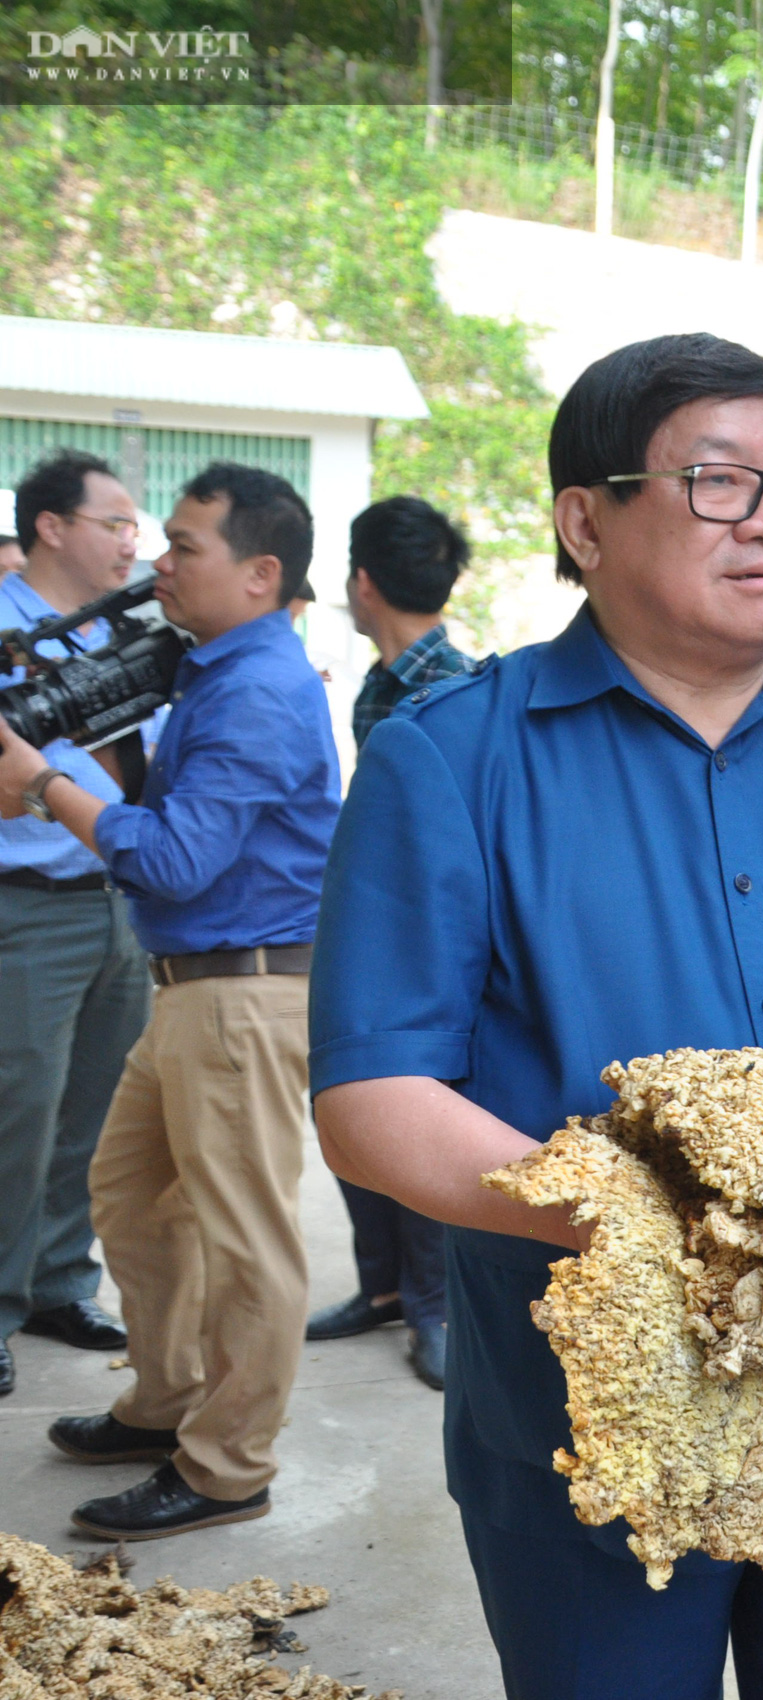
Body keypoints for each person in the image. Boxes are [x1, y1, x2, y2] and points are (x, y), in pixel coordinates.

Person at [308, 333, 763, 1698]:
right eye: (719, 485)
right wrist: (657, 1225)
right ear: (586, 521)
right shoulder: (450, 760)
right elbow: (371, 1099)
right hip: (591, 1412)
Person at [0, 462, 341, 1540]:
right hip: (192, 988)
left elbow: (182, 857)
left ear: (260, 571)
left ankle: (229, 1464)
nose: (160, 562)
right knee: (131, 1193)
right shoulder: (211, 668)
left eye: (184, 546)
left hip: (242, 994)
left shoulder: (257, 687)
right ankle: (164, 1399)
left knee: (246, 1239)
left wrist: (44, 779)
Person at [304, 495, 478, 1391]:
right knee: (345, 1104)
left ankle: (433, 1305)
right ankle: (381, 1291)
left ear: (360, 582)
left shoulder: (453, 686)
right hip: (370, 915)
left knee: (414, 1105)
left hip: (432, 934)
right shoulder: (380, 682)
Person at [0, 453, 153, 1402]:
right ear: (52, 527)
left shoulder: (123, 634)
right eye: (116, 523)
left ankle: (59, 1282)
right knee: (16, 1111)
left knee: (93, 1117)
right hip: (29, 908)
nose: (134, 543)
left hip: (122, 904)